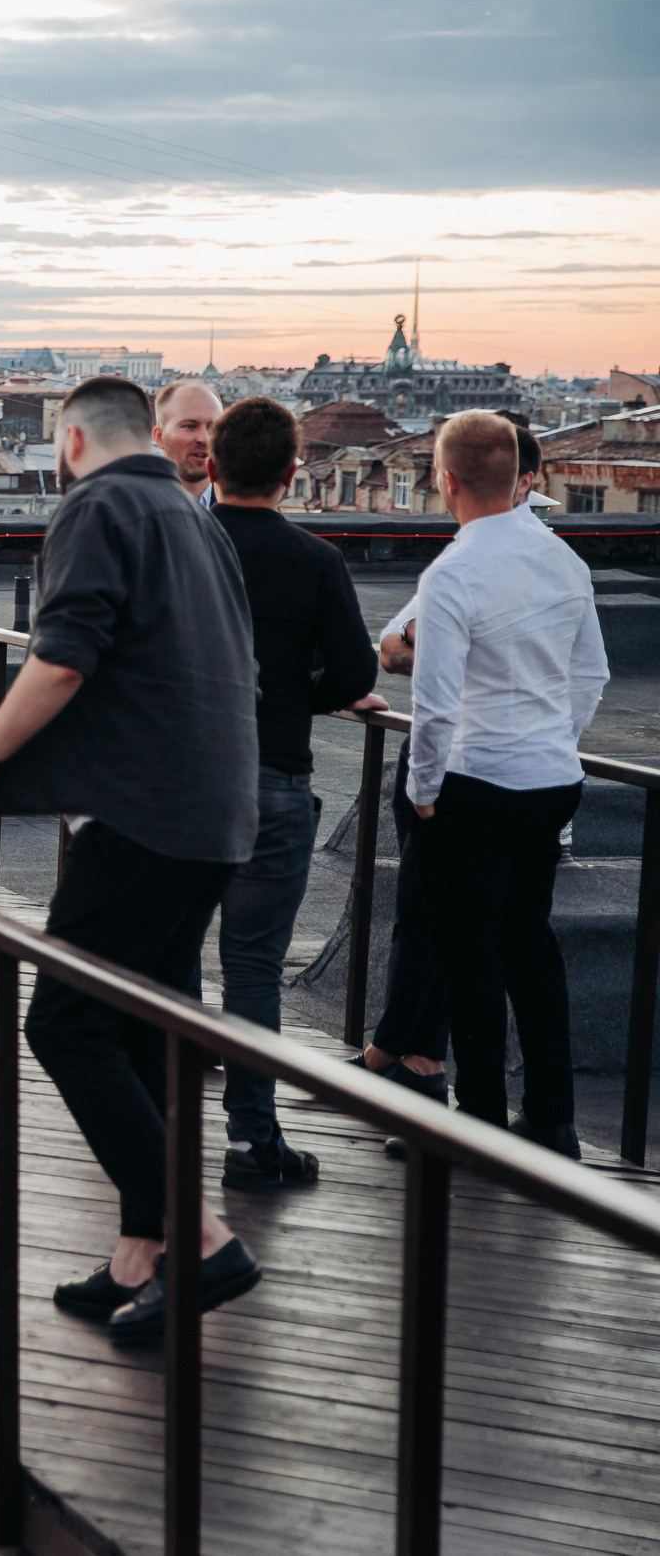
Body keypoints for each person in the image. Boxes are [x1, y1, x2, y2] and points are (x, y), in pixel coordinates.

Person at [0, 376, 262, 1346]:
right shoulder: (195, 519)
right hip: (212, 811)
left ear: (69, 441)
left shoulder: (99, 505)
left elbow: (64, 656)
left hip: (148, 814)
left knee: (66, 1022)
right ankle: (139, 1254)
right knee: (145, 1033)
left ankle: (200, 1242)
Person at [402, 411, 606, 1157]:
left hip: (476, 780)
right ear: (520, 474)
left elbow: (435, 702)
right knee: (529, 943)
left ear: (445, 479)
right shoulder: (565, 560)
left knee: (468, 956)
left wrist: (424, 788)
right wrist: (555, 739)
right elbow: (593, 673)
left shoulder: (452, 572)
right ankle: (553, 1118)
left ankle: (480, 1120)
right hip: (551, 779)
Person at [203, 398, 384, 1188]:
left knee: (165, 955)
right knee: (252, 967)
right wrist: (291, 695)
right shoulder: (314, 559)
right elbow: (354, 676)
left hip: (176, 783)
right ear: (291, 474)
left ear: (209, 467)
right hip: (271, 778)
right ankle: (252, 1139)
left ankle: (153, 1111)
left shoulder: (177, 547)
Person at [359, 424, 543, 1106]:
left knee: (456, 928)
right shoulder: (459, 563)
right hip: (479, 762)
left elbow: (429, 677)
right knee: (426, 915)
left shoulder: (499, 565)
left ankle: (430, 1074)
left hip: (467, 767)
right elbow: (392, 644)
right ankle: (409, 1056)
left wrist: (426, 788)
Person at [151, 379, 222, 503]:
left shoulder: (243, 511)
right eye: (190, 426)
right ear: (160, 437)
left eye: (213, 428)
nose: (204, 439)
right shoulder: (133, 508)